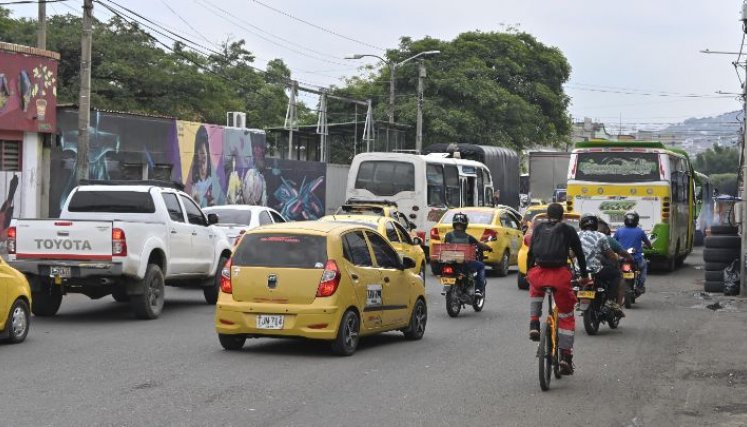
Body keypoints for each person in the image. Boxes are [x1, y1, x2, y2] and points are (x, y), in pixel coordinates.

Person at [527, 203, 591, 375]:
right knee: (566, 315)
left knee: (535, 290)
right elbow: (579, 254)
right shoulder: (568, 230)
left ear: (547, 215)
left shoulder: (539, 228)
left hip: (540, 274)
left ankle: (534, 322)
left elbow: (531, 252)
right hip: (560, 276)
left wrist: (529, 271)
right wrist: (584, 275)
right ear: (562, 216)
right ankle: (566, 357)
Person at [578, 214, 624, 317]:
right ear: (595, 224)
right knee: (617, 275)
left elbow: (571, 253)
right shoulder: (601, 236)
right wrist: (616, 262)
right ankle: (610, 301)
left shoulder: (576, 235)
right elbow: (610, 255)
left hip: (579, 272)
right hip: (596, 271)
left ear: (581, 224)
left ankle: (578, 300)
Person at [443, 212, 493, 297]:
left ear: (454, 224)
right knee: (481, 266)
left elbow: (446, 246)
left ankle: (446, 286)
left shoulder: (448, 235)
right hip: (464, 263)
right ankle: (478, 290)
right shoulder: (468, 237)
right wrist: (489, 248)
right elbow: (480, 245)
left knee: (447, 268)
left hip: (450, 261)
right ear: (465, 225)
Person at [614, 211, 652, 293]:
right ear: (636, 220)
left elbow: (613, 243)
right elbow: (648, 243)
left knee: (616, 270)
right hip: (636, 259)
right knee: (644, 266)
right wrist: (650, 247)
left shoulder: (619, 231)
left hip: (622, 258)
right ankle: (640, 286)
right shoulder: (640, 231)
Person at [189, 126, 224, 208]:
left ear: (208, 158)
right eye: (199, 161)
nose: (202, 168)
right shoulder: (194, 187)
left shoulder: (215, 186)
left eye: (204, 160)